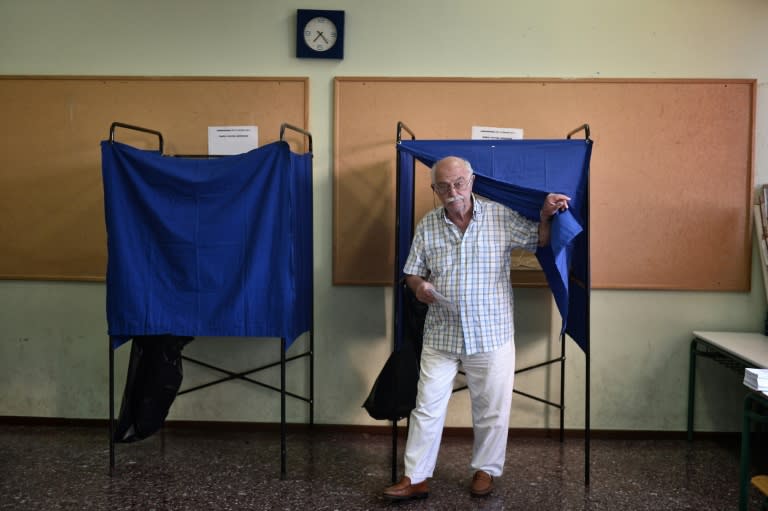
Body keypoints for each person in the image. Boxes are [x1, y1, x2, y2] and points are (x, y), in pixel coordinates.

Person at [382, 156, 569, 501]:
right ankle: (416, 476)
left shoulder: (497, 215)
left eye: (459, 183)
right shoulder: (427, 225)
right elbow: (412, 271)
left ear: (471, 182)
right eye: (443, 186)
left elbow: (538, 241)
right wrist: (419, 287)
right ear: (434, 189)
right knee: (426, 405)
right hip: (442, 333)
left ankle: (485, 471)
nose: (452, 192)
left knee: (491, 408)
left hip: (491, 332)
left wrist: (544, 214)